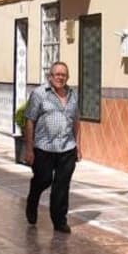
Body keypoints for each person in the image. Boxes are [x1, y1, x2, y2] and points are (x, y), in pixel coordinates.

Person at [23, 61, 80, 233]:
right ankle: (33, 199)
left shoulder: (73, 95)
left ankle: (59, 221)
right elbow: (30, 121)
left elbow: (76, 122)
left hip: (67, 147)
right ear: (50, 76)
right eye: (57, 74)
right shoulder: (39, 94)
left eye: (63, 75)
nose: (60, 78)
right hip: (44, 147)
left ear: (67, 77)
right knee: (44, 179)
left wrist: (78, 146)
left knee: (62, 186)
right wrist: (29, 148)